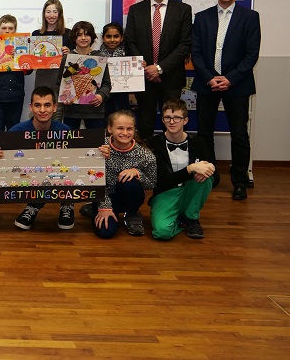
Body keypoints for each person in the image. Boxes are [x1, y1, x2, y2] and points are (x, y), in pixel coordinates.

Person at [191, 0, 261, 201]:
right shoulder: (202, 17)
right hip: (207, 82)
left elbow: (251, 55)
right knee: (204, 133)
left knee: (239, 135)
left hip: (237, 84)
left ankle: (240, 181)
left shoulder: (250, 17)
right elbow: (197, 53)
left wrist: (229, 78)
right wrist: (210, 77)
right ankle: (210, 176)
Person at [0, 86, 74, 230]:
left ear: (55, 107)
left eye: (47, 105)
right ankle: (34, 205)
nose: (42, 110)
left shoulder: (65, 131)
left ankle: (67, 203)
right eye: (37, 105)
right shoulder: (16, 132)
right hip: (31, 174)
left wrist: (98, 153)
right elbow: (2, 170)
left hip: (58, 173)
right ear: (31, 107)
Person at [123, 0, 192, 139]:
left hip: (171, 77)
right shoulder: (135, 10)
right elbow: (130, 41)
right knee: (145, 122)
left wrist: (159, 68)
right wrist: (147, 69)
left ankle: (167, 162)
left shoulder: (183, 9)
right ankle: (146, 161)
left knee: (172, 122)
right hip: (143, 76)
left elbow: (184, 44)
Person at [148, 99, 218, 239]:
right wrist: (191, 168)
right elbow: (161, 181)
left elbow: (215, 180)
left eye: (177, 118)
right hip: (165, 194)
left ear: (185, 120)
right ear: (163, 120)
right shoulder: (153, 144)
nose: (172, 122)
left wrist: (211, 168)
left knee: (207, 174)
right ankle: (180, 219)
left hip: (189, 191)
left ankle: (191, 218)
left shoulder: (198, 142)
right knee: (162, 232)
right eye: (167, 117)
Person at [93, 110, 157, 238]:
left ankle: (132, 213)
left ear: (134, 130)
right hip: (103, 195)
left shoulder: (145, 155)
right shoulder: (97, 148)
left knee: (129, 182)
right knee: (106, 232)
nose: (125, 133)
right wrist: (104, 207)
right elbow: (91, 179)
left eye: (129, 129)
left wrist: (137, 173)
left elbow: (152, 183)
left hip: (130, 196)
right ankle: (93, 208)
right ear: (110, 129)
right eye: (120, 128)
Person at [61, 21, 110, 130]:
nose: (83, 38)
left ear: (92, 37)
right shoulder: (67, 58)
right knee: (70, 144)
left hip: (94, 111)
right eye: (79, 35)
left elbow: (107, 84)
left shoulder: (100, 58)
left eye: (87, 34)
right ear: (74, 37)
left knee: (95, 143)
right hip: (71, 110)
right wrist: (64, 96)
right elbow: (59, 83)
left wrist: (101, 96)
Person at [0, 14, 27, 137]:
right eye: (4, 28)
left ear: (15, 30)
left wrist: (18, 56)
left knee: (14, 129)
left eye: (10, 28)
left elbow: (28, 71)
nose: (7, 31)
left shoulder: (22, 47)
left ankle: (12, 156)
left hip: (16, 95)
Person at [31, 0, 72, 119]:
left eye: (55, 11)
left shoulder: (68, 34)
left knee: (57, 116)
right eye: (48, 11)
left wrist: (69, 53)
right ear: (44, 14)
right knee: (41, 113)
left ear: (60, 13)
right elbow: (32, 62)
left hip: (61, 80)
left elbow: (75, 62)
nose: (51, 15)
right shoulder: (36, 34)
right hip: (42, 78)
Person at [96, 21, 131, 119]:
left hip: (122, 96)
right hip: (104, 96)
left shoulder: (128, 55)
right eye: (108, 36)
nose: (112, 40)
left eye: (116, 36)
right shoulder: (97, 56)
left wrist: (140, 66)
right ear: (103, 38)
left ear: (122, 37)